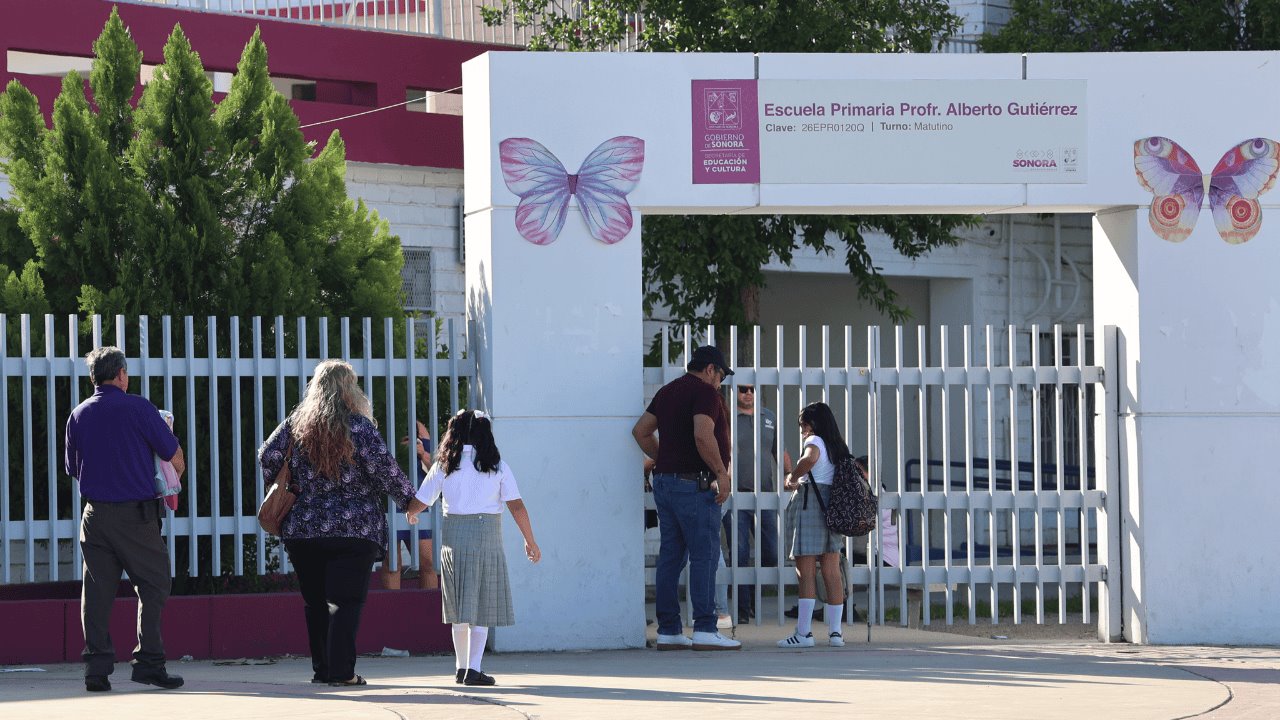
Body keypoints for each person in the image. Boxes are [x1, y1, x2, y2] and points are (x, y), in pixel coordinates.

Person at [258, 360, 415, 687]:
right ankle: (342, 672)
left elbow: (268, 457)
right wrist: (410, 502)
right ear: (349, 389)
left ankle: (323, 671)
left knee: (316, 603)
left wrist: (297, 485)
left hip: (304, 529)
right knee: (345, 603)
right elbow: (386, 471)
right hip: (354, 530)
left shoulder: (296, 425)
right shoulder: (359, 427)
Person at [65, 346, 187, 692]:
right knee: (155, 583)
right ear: (120, 374)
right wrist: (175, 477)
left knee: (97, 591)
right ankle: (149, 662)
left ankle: (96, 670)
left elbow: (73, 468)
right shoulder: (138, 408)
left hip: (94, 515)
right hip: (135, 515)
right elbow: (171, 451)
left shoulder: (79, 414)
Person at [406, 409, 540, 687]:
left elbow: (422, 499)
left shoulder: (444, 464)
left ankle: (461, 667)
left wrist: (411, 513)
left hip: (454, 540)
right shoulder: (497, 465)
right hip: (487, 539)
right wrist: (530, 540)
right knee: (482, 605)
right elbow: (516, 505)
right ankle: (474, 669)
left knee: (458, 607)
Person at [631, 345, 740, 651]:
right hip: (694, 485)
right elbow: (703, 435)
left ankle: (669, 630)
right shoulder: (705, 392)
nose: (720, 383)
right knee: (704, 555)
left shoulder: (667, 391)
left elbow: (640, 431)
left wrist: (664, 457)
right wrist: (721, 473)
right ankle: (705, 628)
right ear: (710, 369)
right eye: (720, 376)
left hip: (664, 483)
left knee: (671, 556)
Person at [778, 402, 849, 649]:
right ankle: (836, 633)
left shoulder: (815, 442)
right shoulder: (836, 444)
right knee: (831, 572)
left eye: (803, 425)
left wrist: (793, 476)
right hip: (832, 506)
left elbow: (809, 459)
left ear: (813, 424)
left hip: (811, 506)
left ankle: (804, 633)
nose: (802, 430)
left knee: (805, 571)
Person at [725, 383, 791, 624]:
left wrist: (789, 475)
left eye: (752, 389)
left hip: (765, 495)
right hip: (736, 495)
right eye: (743, 389)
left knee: (772, 553)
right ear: (735, 393)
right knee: (740, 552)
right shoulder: (728, 417)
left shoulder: (769, 417)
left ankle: (751, 600)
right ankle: (741, 611)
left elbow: (779, 450)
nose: (749, 393)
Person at [379, 420, 440, 590]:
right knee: (392, 564)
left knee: (428, 563)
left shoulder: (419, 428)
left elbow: (437, 470)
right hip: (390, 505)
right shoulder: (382, 428)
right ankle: (390, 613)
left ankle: (428, 611)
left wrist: (421, 453)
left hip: (419, 506)